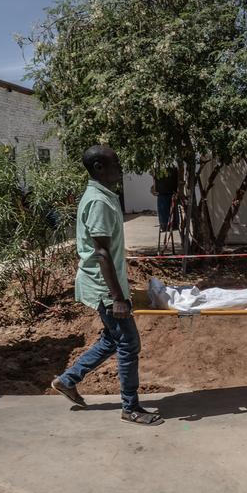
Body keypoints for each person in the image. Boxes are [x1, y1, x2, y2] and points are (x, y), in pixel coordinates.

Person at [50, 145, 163, 426]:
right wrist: (117, 298)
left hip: (106, 285)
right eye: (116, 163)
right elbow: (101, 253)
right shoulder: (98, 201)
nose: (120, 168)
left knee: (113, 339)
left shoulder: (103, 196)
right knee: (128, 343)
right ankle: (130, 407)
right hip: (104, 288)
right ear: (99, 167)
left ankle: (67, 380)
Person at [151, 165, 179, 232]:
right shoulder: (158, 171)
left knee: (168, 210)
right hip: (164, 195)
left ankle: (169, 225)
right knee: (165, 210)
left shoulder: (169, 171)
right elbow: (154, 189)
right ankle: (166, 225)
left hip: (168, 195)